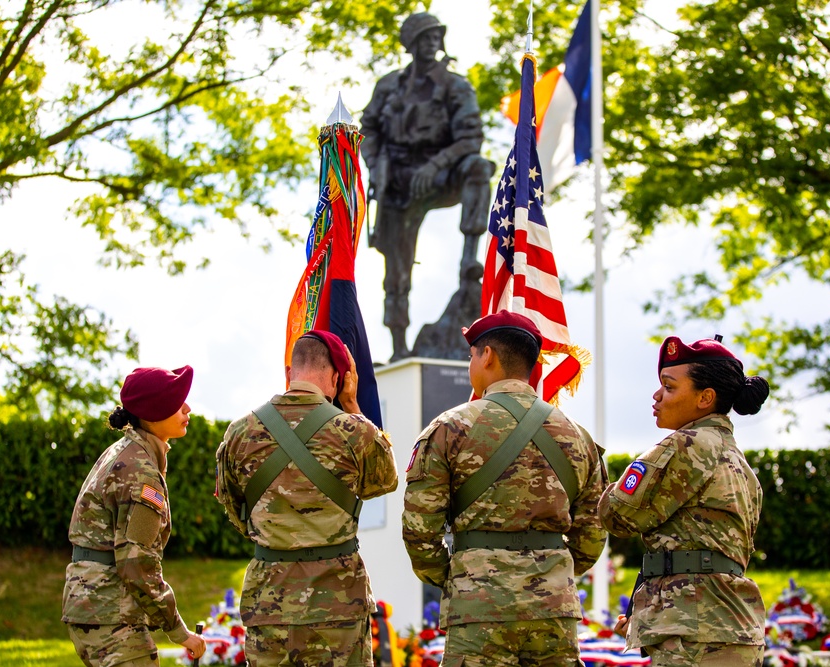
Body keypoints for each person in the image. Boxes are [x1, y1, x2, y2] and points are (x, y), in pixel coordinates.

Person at [402, 310, 608, 666]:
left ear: (488, 356)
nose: (471, 363)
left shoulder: (449, 427)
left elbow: (420, 530)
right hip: (552, 609)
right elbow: (593, 532)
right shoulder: (577, 435)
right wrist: (554, 573)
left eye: (472, 355)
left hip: (478, 606)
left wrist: (458, 574)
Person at [215, 330, 398, 667]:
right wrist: (353, 406)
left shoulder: (240, 432)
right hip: (338, 602)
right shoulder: (355, 432)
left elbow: (235, 510)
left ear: (289, 373)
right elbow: (385, 482)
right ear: (336, 379)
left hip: (270, 600)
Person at [598, 335, 770, 666]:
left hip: (692, 636)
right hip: (730, 628)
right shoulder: (740, 463)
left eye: (670, 386)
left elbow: (616, 515)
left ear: (705, 398)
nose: (657, 395)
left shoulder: (684, 445)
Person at [360, 12, 496, 360]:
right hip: (399, 180)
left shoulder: (455, 85)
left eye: (436, 36)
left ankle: (469, 262)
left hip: (441, 171)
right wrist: (377, 168)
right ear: (411, 44)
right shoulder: (389, 85)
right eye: (424, 37)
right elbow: (369, 129)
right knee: (397, 269)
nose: (432, 42)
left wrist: (436, 163)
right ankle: (398, 347)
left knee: (479, 169)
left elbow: (471, 138)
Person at [62, 366, 206, 667]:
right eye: (177, 402)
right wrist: (179, 631)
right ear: (154, 414)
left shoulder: (124, 452)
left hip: (96, 607)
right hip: (110, 613)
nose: (187, 408)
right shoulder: (141, 472)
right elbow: (137, 564)